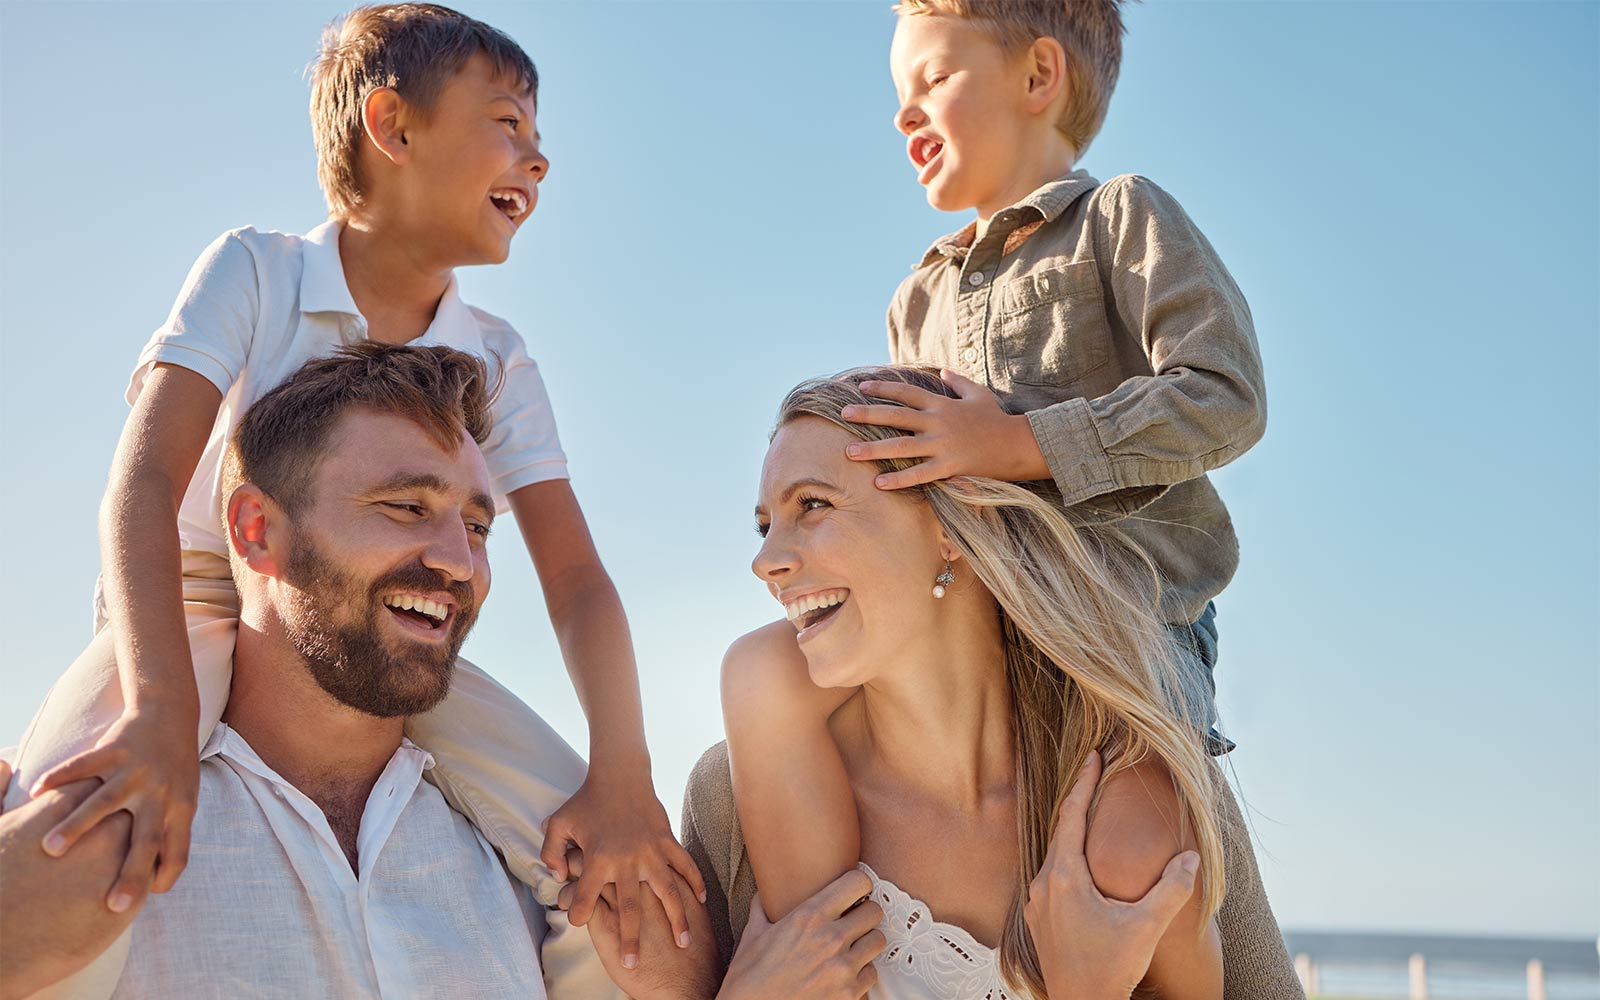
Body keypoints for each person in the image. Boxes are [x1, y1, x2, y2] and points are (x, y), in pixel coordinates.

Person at [6, 2, 701, 973]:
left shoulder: (495, 359)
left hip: (392, 634)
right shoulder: (257, 270)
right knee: (68, 836)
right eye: (507, 123)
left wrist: (625, 774)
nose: (538, 159)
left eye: (541, 139)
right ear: (392, 126)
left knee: (606, 857)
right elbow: (144, 481)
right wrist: (160, 709)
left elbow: (576, 580)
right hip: (191, 609)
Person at [726, 0, 1267, 980]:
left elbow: (1225, 397)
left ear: (1037, 77)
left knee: (1150, 852)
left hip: (1135, 627)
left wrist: (1023, 441)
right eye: (897, 97)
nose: (903, 115)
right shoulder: (915, 301)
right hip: (987, 632)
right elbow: (901, 497)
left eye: (929, 81)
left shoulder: (1120, 218)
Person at [15, 343, 685, 998]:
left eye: (478, 527)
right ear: (256, 530)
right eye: (405, 506)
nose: (459, 561)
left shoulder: (542, 872)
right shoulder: (104, 851)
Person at [707, 369, 1303, 999]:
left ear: (950, 525)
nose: (765, 562)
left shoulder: (1126, 824)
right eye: (764, 525)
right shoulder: (740, 781)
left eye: (815, 504)